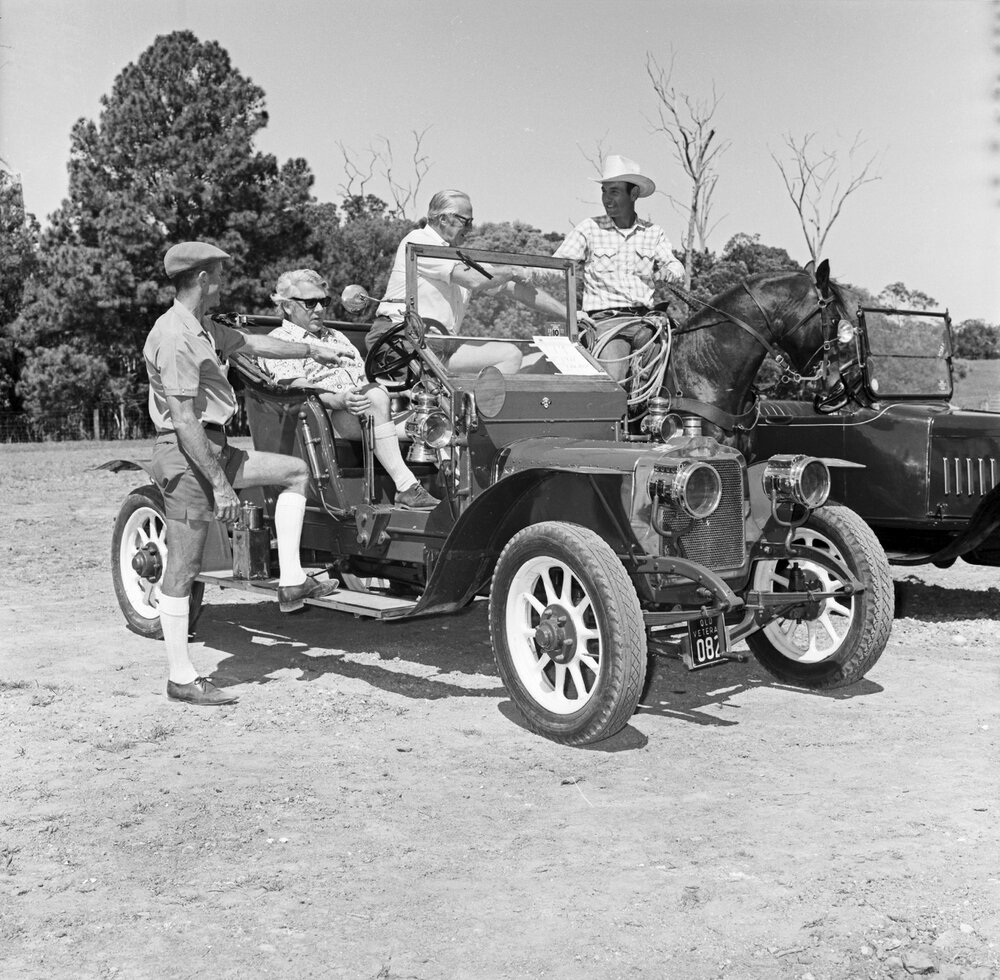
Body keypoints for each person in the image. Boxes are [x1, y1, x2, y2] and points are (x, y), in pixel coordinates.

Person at [145, 242, 348, 707]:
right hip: (186, 453)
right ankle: (181, 677)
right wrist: (219, 484)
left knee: (295, 472)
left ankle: (292, 579)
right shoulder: (175, 335)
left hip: (213, 445)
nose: (222, 285)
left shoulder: (202, 327)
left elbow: (255, 343)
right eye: (217, 275)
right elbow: (183, 420)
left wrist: (312, 349)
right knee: (184, 566)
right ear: (199, 279)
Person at [260, 268, 438, 510]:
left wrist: (406, 391)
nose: (321, 309)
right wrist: (339, 400)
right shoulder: (280, 340)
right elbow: (295, 387)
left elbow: (365, 380)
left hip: (364, 410)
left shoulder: (337, 337)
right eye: (311, 303)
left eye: (324, 301)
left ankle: (455, 489)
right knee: (373, 397)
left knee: (436, 419)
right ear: (288, 306)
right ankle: (406, 487)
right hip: (323, 419)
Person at [369, 189, 567, 375]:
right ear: (443, 219)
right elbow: (474, 280)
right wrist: (512, 270)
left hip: (435, 345)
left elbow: (515, 290)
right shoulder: (420, 242)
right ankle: (468, 411)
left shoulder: (460, 257)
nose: (471, 229)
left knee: (536, 363)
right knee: (510, 356)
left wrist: (570, 314)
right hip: (400, 344)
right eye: (466, 221)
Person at [554, 154, 685, 381]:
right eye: (604, 191)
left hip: (646, 321)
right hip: (605, 323)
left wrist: (669, 272)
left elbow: (675, 265)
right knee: (614, 377)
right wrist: (520, 272)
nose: (606, 199)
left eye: (614, 191)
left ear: (633, 194)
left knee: (675, 370)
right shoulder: (590, 228)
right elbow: (557, 267)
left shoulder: (653, 232)